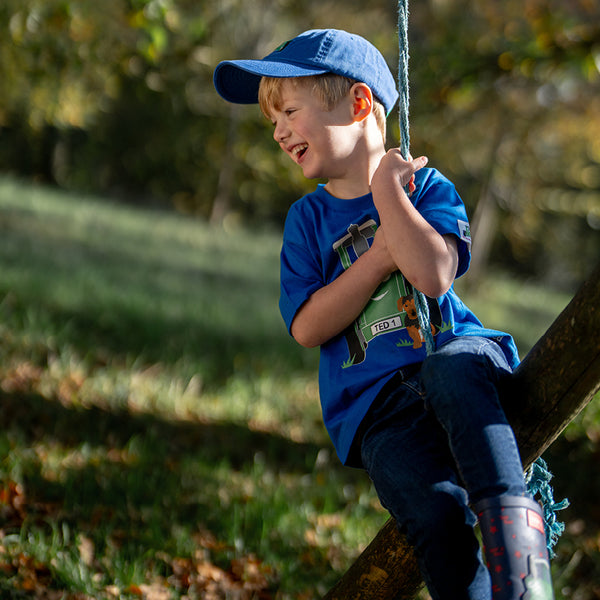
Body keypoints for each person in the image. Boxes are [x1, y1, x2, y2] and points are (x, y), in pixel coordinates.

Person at [214, 28, 555, 600]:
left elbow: (432, 275)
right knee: (433, 511)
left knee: (449, 371)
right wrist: (373, 261)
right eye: (271, 121)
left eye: (289, 111)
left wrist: (388, 195)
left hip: (456, 359)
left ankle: (521, 568)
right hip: (376, 411)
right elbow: (306, 326)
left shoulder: (426, 187)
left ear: (359, 104)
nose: (277, 131)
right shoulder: (306, 221)